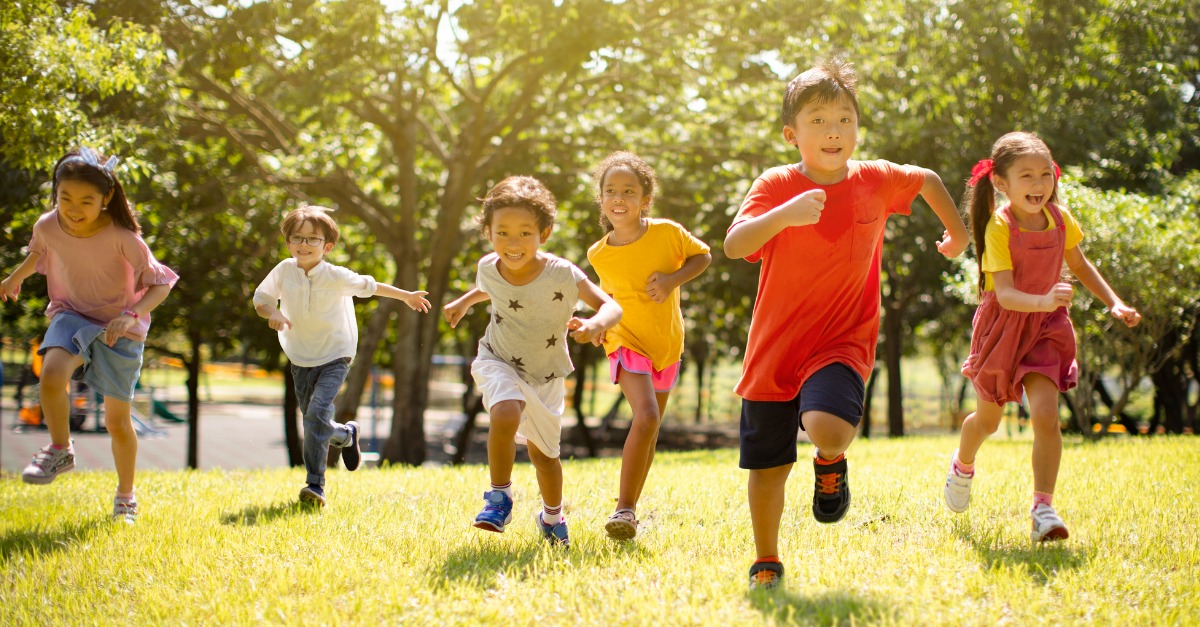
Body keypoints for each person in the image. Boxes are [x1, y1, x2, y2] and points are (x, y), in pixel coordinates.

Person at [723, 58, 969, 590]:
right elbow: (734, 244)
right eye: (818, 120)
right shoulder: (775, 184)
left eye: (844, 119)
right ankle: (767, 560)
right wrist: (782, 215)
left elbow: (925, 179)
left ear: (858, 127)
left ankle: (829, 460)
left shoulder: (874, 180)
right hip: (773, 349)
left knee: (829, 427)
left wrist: (959, 235)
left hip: (841, 340)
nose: (834, 131)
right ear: (792, 134)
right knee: (767, 467)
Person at [945, 131, 1141, 541]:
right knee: (987, 421)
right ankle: (962, 466)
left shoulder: (1061, 218)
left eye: (1044, 175)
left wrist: (1114, 302)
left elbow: (1081, 265)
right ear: (1001, 183)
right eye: (1026, 176)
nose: (1038, 185)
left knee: (1047, 417)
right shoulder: (1000, 227)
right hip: (1004, 327)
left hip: (1046, 329)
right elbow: (1006, 294)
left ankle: (1043, 508)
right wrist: (1046, 298)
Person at [0, 147, 179, 523]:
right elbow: (39, 252)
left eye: (86, 200)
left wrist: (132, 315)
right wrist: (17, 275)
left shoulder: (124, 237)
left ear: (106, 198)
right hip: (71, 313)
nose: (73, 208)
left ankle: (126, 496)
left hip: (120, 327)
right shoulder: (48, 225)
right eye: (65, 198)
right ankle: (60, 448)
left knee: (117, 422)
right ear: (55, 193)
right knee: (50, 374)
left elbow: (160, 285)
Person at [443, 175, 621, 548]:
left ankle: (552, 516)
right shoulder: (488, 267)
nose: (513, 243)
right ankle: (499, 498)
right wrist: (463, 301)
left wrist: (594, 324)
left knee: (544, 457)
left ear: (545, 232)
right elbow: (490, 288)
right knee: (505, 411)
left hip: (547, 372)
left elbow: (611, 305)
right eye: (502, 233)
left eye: (525, 233)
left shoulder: (562, 273)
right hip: (498, 357)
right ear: (488, 233)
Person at [253, 205, 431, 508]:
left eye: (312, 239)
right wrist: (274, 313)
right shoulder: (284, 270)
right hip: (300, 356)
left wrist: (407, 296)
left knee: (315, 415)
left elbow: (372, 286)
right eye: (297, 238)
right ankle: (346, 435)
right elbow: (261, 299)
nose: (304, 244)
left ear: (328, 246)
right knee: (314, 419)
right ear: (288, 243)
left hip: (336, 354)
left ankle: (315, 485)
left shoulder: (335, 275)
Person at [585, 151, 711, 540]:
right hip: (625, 340)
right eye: (611, 191)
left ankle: (629, 514)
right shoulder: (598, 253)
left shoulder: (667, 232)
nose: (618, 197)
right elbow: (605, 296)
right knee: (647, 417)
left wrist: (673, 280)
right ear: (602, 200)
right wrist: (596, 324)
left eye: (628, 190)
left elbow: (702, 255)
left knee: (650, 426)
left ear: (645, 200)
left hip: (666, 343)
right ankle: (623, 508)